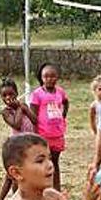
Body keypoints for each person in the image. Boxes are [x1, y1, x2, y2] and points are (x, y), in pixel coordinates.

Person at [0, 78, 37, 200]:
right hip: (16, 146)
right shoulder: (6, 112)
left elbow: (35, 120)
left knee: (22, 176)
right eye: (4, 95)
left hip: (29, 145)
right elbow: (16, 124)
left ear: (16, 93)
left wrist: (24, 108)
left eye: (11, 94)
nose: (8, 98)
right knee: (11, 176)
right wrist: (19, 109)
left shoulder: (24, 106)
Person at [30, 63, 69, 191]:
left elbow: (65, 102)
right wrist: (35, 135)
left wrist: (63, 115)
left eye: (52, 76)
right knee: (43, 162)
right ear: (41, 78)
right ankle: (42, 187)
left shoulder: (60, 92)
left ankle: (57, 189)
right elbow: (33, 117)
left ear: (57, 77)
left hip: (57, 134)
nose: (49, 79)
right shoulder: (37, 94)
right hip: (43, 134)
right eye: (46, 76)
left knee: (55, 163)